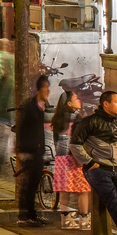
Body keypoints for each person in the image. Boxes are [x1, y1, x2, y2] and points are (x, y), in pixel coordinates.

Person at [69, 90, 117, 235]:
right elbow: (75, 144)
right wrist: (89, 162)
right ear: (105, 104)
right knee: (114, 201)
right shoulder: (89, 122)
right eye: (116, 102)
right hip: (98, 170)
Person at [14, 76, 51, 226]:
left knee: (34, 184)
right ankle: (25, 216)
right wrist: (21, 150)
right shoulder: (29, 107)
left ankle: (32, 215)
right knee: (28, 185)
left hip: (37, 150)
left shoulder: (40, 106)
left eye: (49, 87)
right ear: (39, 89)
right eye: (45, 87)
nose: (48, 90)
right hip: (29, 151)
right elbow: (21, 129)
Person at [50, 88, 89, 226]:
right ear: (69, 104)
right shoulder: (77, 119)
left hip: (61, 159)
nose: (79, 100)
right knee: (83, 190)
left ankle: (65, 220)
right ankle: (84, 220)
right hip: (74, 159)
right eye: (76, 99)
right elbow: (79, 141)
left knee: (64, 191)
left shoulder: (57, 119)